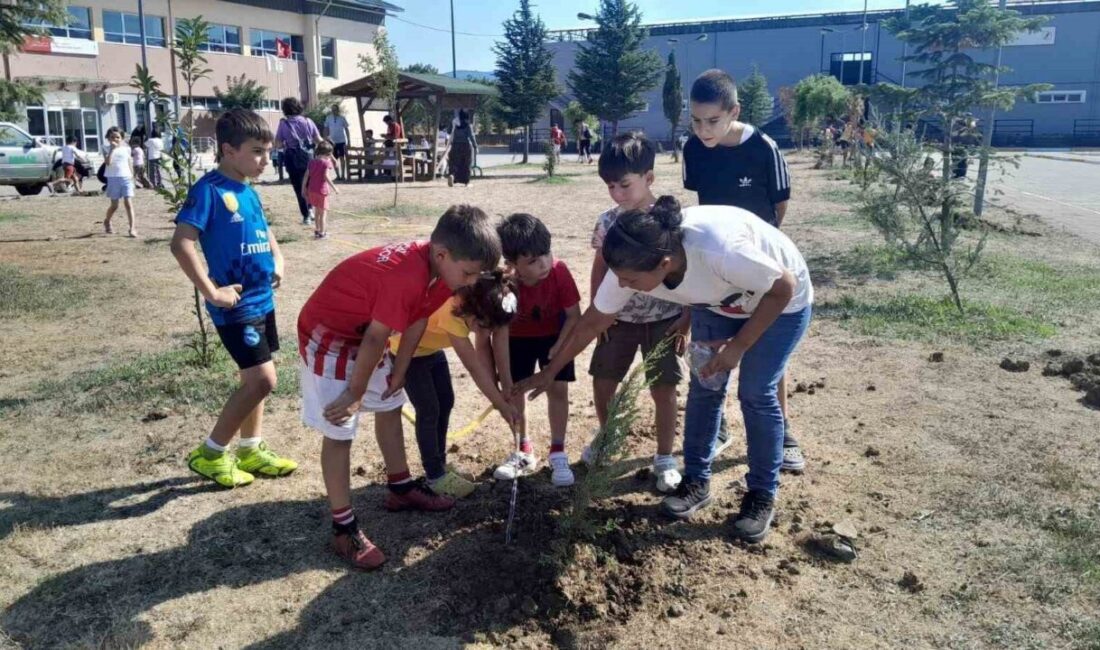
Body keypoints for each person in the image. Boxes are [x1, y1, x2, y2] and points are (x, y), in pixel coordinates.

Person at [515, 196, 813, 543]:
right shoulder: (631, 262)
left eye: (629, 280)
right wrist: (551, 370)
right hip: (717, 304)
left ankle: (762, 493)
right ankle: (696, 482)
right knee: (705, 386)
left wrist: (738, 347)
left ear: (664, 265)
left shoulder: (720, 250)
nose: (623, 286)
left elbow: (783, 286)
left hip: (781, 303)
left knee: (756, 393)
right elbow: (593, 321)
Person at [296, 205, 501, 570]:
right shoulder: (405, 276)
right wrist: (354, 393)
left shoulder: (442, 273)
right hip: (330, 335)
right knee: (340, 428)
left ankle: (401, 488)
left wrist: (401, 369)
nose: (471, 283)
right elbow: (377, 336)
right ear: (442, 254)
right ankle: (344, 527)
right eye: (469, 273)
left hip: (368, 334)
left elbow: (418, 318)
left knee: (390, 404)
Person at [682, 68, 803, 473]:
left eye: (712, 120)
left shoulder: (763, 148)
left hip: (760, 268)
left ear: (734, 111)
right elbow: (703, 204)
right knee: (712, 348)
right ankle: (715, 429)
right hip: (717, 269)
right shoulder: (693, 150)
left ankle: (784, 432)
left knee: (764, 360)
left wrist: (759, 261)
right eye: (695, 121)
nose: (703, 130)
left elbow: (779, 207)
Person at [170, 109, 298, 489]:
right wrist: (212, 291)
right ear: (228, 149)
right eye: (257, 151)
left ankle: (251, 449)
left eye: (268, 152)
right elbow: (181, 243)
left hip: (263, 301)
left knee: (252, 378)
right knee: (263, 382)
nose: (265, 160)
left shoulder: (248, 190)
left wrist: (278, 258)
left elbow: (264, 231)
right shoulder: (209, 191)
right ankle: (209, 454)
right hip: (236, 307)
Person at [585, 132, 688, 493]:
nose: (617, 194)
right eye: (610, 186)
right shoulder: (607, 222)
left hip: (666, 320)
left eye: (624, 185)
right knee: (603, 380)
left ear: (649, 178)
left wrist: (686, 317)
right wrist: (597, 309)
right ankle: (608, 438)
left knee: (664, 388)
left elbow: (687, 272)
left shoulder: (671, 220)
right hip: (619, 320)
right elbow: (599, 266)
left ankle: (664, 457)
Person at [387, 272, 520, 498]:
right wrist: (501, 405)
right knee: (429, 410)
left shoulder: (474, 305)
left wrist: (505, 389)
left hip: (430, 349)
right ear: (474, 312)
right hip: (408, 353)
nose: (485, 332)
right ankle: (434, 476)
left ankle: (440, 463)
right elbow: (474, 368)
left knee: (446, 401)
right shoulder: (451, 312)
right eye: (484, 326)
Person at [492, 213, 581, 488]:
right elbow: (500, 333)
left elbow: (574, 315)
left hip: (555, 336)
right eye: (532, 261)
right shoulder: (505, 284)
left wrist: (558, 347)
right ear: (512, 264)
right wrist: (505, 378)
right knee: (516, 391)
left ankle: (558, 450)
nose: (544, 264)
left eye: (546, 254)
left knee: (558, 390)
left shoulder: (559, 271)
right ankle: (523, 449)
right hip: (518, 340)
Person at [276, 97, 321, 225]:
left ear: (285, 109)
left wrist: (285, 145)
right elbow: (318, 139)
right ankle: (311, 209)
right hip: (309, 157)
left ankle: (306, 215)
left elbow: (278, 143)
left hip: (292, 157)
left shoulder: (283, 123)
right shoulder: (308, 121)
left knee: (298, 187)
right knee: (310, 184)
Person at [102, 126, 137, 238]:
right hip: (113, 178)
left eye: (117, 137)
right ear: (108, 138)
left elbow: (129, 162)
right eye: (112, 137)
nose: (115, 139)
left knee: (128, 203)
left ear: (122, 138)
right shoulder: (106, 148)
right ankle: (107, 221)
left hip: (126, 177)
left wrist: (132, 177)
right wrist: (112, 149)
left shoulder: (126, 148)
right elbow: (108, 162)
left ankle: (132, 228)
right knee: (114, 205)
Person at [302, 139, 339, 239]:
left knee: (317, 212)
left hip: (312, 190)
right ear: (327, 154)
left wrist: (303, 189)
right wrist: (335, 188)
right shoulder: (326, 163)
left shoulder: (311, 162)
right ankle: (322, 233)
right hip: (322, 191)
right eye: (329, 154)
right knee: (323, 213)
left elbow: (306, 176)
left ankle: (317, 230)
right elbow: (326, 176)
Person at [447, 109, 478, 187]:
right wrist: (475, 146)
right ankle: (467, 182)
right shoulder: (468, 125)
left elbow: (448, 131)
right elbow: (471, 136)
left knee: (454, 162)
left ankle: (452, 175)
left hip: (455, 145)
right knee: (466, 163)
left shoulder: (455, 124)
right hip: (465, 146)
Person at [323, 104, 350, 181]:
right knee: (333, 158)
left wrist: (349, 140)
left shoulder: (342, 118)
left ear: (338, 110)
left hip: (341, 141)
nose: (334, 111)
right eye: (332, 109)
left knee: (342, 158)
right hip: (332, 141)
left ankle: (343, 175)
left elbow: (346, 129)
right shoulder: (328, 118)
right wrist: (325, 139)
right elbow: (326, 128)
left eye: (335, 109)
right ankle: (337, 175)